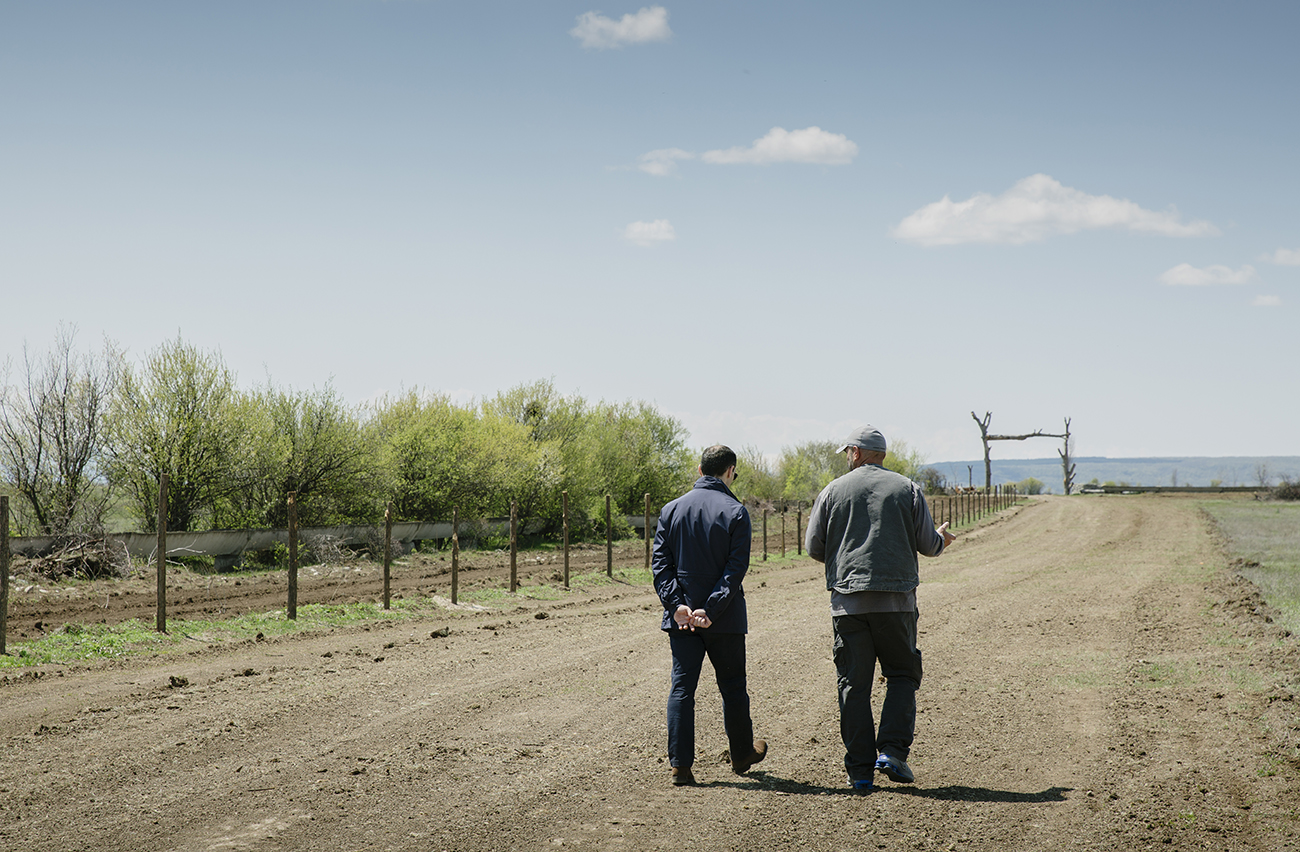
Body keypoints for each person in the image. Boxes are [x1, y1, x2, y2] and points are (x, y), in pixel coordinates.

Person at [805, 425, 955, 793]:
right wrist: (941, 539)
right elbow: (928, 545)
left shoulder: (832, 491)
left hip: (848, 605)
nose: (847, 457)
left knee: (853, 685)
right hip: (897, 603)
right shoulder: (908, 489)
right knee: (902, 675)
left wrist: (843, 558)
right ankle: (891, 752)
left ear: (856, 452)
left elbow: (813, 546)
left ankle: (860, 771)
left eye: (847, 452)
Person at [652, 444, 768, 787]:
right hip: (724, 619)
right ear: (730, 471)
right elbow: (735, 570)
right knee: (732, 687)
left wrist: (677, 606)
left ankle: (680, 766)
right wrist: (712, 608)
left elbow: (661, 566)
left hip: (682, 619)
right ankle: (742, 753)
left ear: (700, 470)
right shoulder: (736, 512)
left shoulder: (670, 510)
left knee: (682, 687)